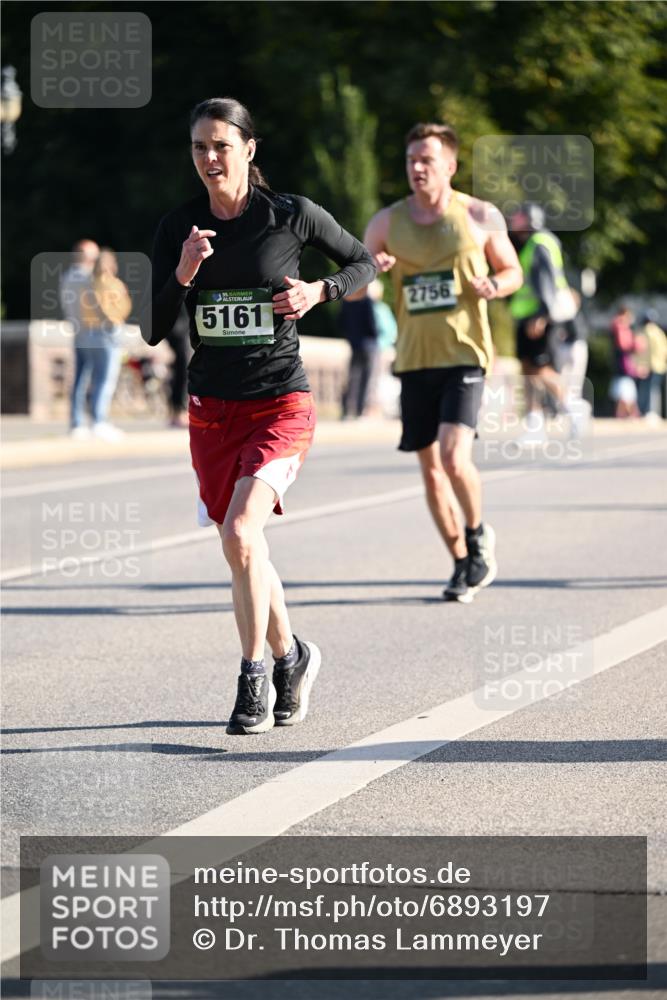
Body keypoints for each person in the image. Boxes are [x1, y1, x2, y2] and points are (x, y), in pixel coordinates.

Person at [141, 97, 376, 735]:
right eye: (198, 148)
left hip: (280, 402)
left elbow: (365, 262)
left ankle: (253, 681)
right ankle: (291, 655)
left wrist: (318, 290)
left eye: (221, 145)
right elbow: (154, 330)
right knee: (241, 546)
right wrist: (184, 275)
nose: (209, 158)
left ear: (249, 148)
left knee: (242, 534)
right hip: (212, 410)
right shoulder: (178, 228)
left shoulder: (291, 216)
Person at [364, 122, 522, 603]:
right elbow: (350, 287)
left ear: (449, 166)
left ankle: (477, 536)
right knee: (431, 472)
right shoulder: (386, 223)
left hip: (465, 354)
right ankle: (460, 563)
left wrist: (495, 286)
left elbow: (512, 270)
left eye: (426, 160)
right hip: (414, 358)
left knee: (455, 457)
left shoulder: (478, 214)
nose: (416, 168)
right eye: (411, 160)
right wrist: (373, 269)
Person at [508, 204, 581, 442]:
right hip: (531, 314)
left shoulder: (538, 242)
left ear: (529, 220)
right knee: (529, 369)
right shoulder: (538, 241)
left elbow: (545, 281)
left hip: (537, 316)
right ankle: (534, 422)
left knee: (539, 368)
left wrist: (541, 315)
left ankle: (572, 407)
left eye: (518, 217)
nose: (513, 220)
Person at [62, 242, 130, 440]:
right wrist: (109, 322)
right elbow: (100, 305)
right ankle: (98, 421)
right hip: (99, 332)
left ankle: (77, 423)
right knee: (103, 378)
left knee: (80, 379)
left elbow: (68, 306)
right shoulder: (90, 279)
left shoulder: (67, 277)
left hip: (79, 332)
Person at [339, 285, 380, 418]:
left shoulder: (346, 301)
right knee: (366, 379)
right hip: (368, 344)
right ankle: (359, 411)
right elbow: (372, 324)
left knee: (352, 378)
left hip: (354, 344)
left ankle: (347, 410)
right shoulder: (367, 301)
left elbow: (340, 322)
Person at [609, 305, 640, 419]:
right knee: (625, 393)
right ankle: (628, 414)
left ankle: (628, 414)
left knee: (626, 393)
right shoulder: (619, 326)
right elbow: (624, 344)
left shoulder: (619, 326)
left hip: (623, 363)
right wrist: (635, 345)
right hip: (622, 364)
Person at [165, 304, 192, 427]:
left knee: (180, 370)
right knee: (183, 369)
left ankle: (177, 411)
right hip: (178, 325)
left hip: (182, 324)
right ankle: (179, 411)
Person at [639, 309, 667, 420]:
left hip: (649, 365)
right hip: (660, 365)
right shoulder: (659, 332)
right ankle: (654, 412)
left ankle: (648, 412)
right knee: (655, 389)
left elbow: (645, 350)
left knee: (647, 389)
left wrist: (643, 365)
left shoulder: (646, 331)